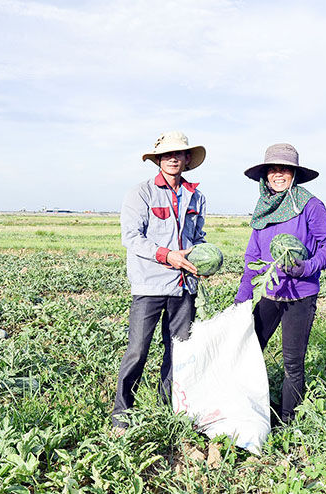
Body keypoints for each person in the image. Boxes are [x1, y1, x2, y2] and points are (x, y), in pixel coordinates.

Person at [234, 143, 326, 424]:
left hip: (300, 295)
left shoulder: (309, 205)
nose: (278, 174)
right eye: (273, 169)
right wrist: (242, 300)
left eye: (284, 169)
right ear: (265, 176)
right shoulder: (262, 209)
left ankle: (287, 421)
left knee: (293, 363)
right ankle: (253, 410)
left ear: (294, 174)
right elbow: (252, 258)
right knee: (251, 352)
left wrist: (308, 267)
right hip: (268, 294)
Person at [112, 131, 208, 433]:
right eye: (167, 154)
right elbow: (132, 238)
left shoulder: (196, 196)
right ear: (158, 159)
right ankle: (122, 415)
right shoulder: (140, 193)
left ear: (188, 159)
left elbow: (199, 237)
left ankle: (168, 408)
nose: (173, 158)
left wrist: (202, 260)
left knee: (177, 351)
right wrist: (169, 255)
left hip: (183, 287)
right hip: (149, 286)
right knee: (138, 350)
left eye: (179, 153)